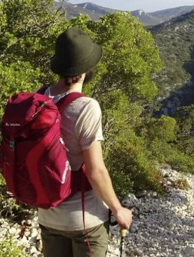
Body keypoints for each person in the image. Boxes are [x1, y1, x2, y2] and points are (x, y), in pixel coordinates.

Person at [38, 27, 132, 257]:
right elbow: (95, 170)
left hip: (48, 216)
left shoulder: (38, 99)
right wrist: (118, 209)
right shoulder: (86, 107)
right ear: (87, 70)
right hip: (84, 221)